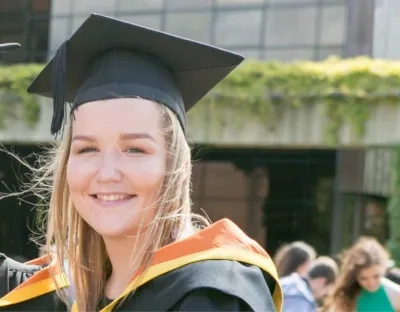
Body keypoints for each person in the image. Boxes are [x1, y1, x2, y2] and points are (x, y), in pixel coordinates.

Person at [0, 14, 282, 311]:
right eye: (87, 149)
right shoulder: (58, 296)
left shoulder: (210, 297)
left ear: (176, 165)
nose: (107, 173)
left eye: (134, 149)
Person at [325, 236, 400, 312]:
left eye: (376, 276)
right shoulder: (345, 297)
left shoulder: (396, 294)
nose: (371, 283)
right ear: (355, 276)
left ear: (383, 269)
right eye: (363, 278)